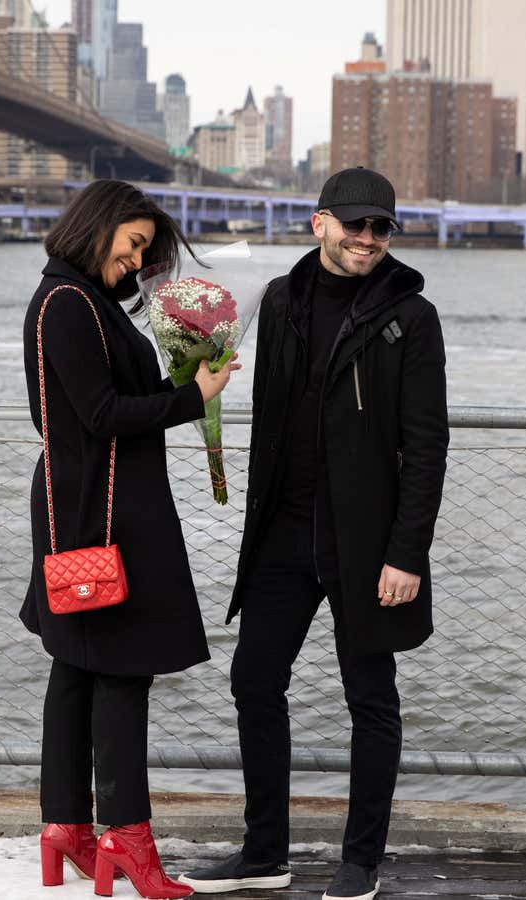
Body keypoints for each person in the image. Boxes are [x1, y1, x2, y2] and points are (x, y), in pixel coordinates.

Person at [180, 168, 449, 900]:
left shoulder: (410, 316)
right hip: (282, 533)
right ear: (319, 223)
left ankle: (360, 861)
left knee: (371, 695)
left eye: (381, 228)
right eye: (356, 225)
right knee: (254, 679)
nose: (368, 239)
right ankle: (263, 853)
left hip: (365, 545)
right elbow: (273, 413)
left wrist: (406, 553)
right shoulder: (280, 299)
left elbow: (427, 445)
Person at [22, 179, 241, 900]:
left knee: (79, 666)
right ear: (101, 224)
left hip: (86, 502)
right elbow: (103, 411)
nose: (137, 259)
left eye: (146, 249)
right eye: (134, 243)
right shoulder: (69, 306)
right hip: (102, 513)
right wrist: (192, 398)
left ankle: (68, 828)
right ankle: (126, 839)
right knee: (121, 671)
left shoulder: (73, 301)